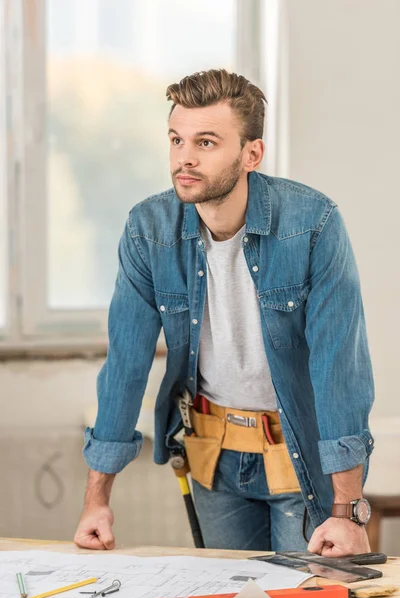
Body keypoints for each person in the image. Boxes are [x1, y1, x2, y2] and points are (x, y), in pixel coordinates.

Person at [74, 69, 375, 556]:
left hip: (298, 459)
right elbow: (125, 366)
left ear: (251, 154)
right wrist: (96, 500)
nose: (184, 158)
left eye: (206, 142)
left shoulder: (312, 224)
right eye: (176, 139)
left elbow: (339, 369)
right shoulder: (147, 229)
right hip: (212, 457)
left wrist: (347, 509)